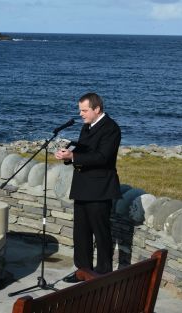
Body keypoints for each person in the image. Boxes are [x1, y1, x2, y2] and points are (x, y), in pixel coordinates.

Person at [55, 92, 121, 283]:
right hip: (83, 187)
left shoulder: (111, 128)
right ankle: (82, 270)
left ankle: (102, 274)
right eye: (80, 110)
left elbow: (103, 157)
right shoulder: (87, 127)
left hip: (100, 189)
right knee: (81, 232)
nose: (81, 114)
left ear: (97, 109)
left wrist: (74, 157)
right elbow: (83, 151)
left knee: (101, 233)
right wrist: (69, 155)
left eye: (84, 110)